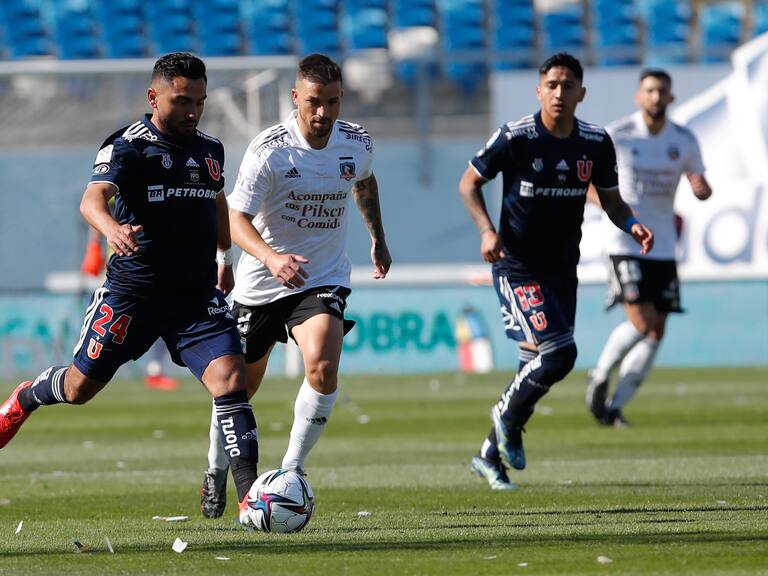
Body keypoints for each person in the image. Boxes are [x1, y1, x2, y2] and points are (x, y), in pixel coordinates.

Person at [0, 52, 262, 526]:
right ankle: (26, 396)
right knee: (79, 388)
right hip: (133, 295)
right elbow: (92, 200)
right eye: (182, 101)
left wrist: (225, 257)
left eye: (199, 102)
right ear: (153, 96)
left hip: (194, 297)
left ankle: (251, 501)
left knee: (231, 380)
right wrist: (112, 229)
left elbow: (216, 202)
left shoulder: (210, 149)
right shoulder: (128, 146)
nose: (192, 112)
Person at [199, 54, 391, 518]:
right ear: (295, 98)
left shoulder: (356, 142)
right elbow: (235, 218)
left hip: (321, 277)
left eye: (333, 102)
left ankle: (291, 471)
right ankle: (215, 468)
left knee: (322, 364)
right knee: (237, 388)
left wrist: (378, 239)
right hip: (262, 284)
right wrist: (271, 257)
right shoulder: (270, 151)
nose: (323, 113)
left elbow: (364, 183)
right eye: (313, 102)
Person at [458, 53, 654, 491]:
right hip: (516, 267)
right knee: (560, 354)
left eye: (568, 86)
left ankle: (489, 454)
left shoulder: (595, 142)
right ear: (539, 91)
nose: (559, 93)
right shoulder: (515, 137)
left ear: (581, 93)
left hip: (562, 270)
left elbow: (611, 200)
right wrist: (487, 230)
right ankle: (505, 419)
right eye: (552, 85)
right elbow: (469, 183)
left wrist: (632, 223)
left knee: (535, 365)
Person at [586, 69, 712, 427]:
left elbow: (700, 182)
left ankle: (614, 407)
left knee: (657, 330)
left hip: (664, 246)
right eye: (650, 90)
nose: (656, 97)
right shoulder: (618, 135)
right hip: (624, 240)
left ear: (671, 97)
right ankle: (599, 374)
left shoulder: (683, 139)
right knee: (642, 321)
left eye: (662, 91)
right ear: (638, 96)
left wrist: (702, 189)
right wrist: (616, 212)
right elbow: (587, 184)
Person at [81, 224, 180, 391]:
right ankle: (88, 368)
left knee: (163, 315)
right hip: (120, 268)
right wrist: (94, 246)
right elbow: (99, 211)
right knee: (112, 325)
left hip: (151, 265)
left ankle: (155, 369)